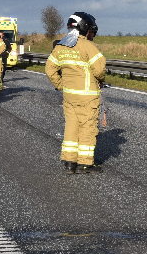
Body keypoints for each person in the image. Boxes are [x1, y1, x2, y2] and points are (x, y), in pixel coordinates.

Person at [45, 12, 106, 174]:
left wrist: (61, 85)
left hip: (69, 96)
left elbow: (50, 69)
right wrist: (101, 79)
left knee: (71, 127)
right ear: (85, 27)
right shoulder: (88, 46)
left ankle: (69, 161)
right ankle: (84, 163)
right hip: (87, 96)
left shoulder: (61, 47)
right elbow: (100, 70)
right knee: (87, 128)